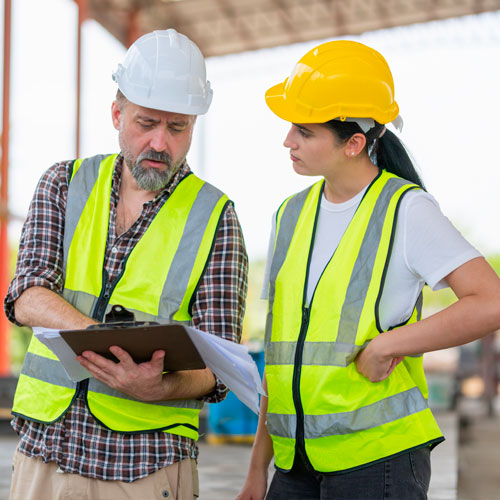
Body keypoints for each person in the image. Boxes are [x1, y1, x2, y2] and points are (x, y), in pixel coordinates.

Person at [236, 40, 500, 500]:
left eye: (304, 130)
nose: (287, 140)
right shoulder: (289, 215)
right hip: (294, 464)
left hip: (378, 464)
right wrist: (257, 469)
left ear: (354, 143)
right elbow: (282, 359)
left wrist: (391, 344)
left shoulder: (406, 210)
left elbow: (490, 302)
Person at [5, 29, 248, 500]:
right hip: (44, 454)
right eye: (147, 122)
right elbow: (27, 294)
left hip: (144, 469)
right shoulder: (64, 183)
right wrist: (102, 341)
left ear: (194, 126)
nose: (160, 142)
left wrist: (160, 388)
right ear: (118, 113)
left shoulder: (215, 218)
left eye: (177, 128)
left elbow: (221, 366)